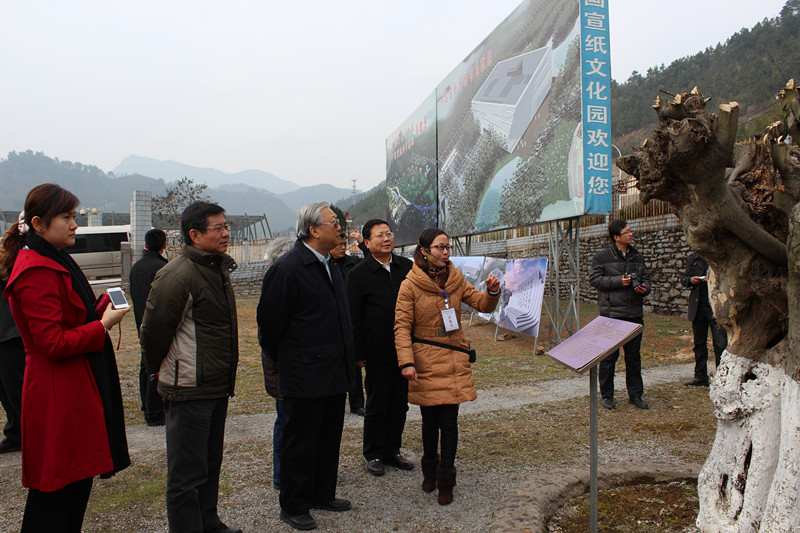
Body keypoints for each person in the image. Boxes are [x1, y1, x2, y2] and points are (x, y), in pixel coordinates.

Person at [0, 184, 130, 532]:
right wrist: (101, 327)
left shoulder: (53, 258)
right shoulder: (35, 270)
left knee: (74, 483)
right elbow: (52, 343)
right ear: (39, 224)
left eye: (74, 216)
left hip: (72, 385)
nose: (75, 225)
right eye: (67, 217)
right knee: (56, 490)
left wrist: (98, 308)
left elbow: (69, 317)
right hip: (56, 392)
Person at [139, 201, 241, 533]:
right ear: (194, 234)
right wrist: (164, 372)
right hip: (187, 389)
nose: (225, 233)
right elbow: (153, 333)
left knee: (210, 464)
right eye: (218, 228)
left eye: (227, 226)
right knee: (185, 473)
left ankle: (208, 522)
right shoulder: (178, 273)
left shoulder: (217, 269)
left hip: (214, 384)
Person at [257, 202, 357, 531]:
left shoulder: (331, 265)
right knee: (300, 441)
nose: (340, 227)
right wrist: (293, 361)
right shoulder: (287, 269)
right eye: (333, 222)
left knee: (329, 436)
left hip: (333, 370)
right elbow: (269, 329)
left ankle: (321, 493)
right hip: (304, 373)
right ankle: (294, 504)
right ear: (313, 230)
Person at [395, 228, 500, 506]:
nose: (445, 252)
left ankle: (446, 480)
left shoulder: (455, 278)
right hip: (426, 358)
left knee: (450, 422)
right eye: (440, 247)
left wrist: (492, 292)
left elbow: (480, 304)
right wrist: (406, 361)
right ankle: (429, 469)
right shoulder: (410, 284)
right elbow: (402, 326)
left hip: (454, 356)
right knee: (430, 422)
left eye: (448, 247)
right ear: (425, 251)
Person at [347, 219, 414, 477]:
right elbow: (354, 316)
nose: (386, 239)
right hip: (376, 350)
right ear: (366, 242)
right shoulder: (358, 274)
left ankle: (393, 450)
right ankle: (373, 453)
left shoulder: (406, 267)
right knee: (376, 403)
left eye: (389, 234)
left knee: (399, 403)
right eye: (379, 235)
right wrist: (359, 351)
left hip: (404, 349)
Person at [589, 220, 652, 411]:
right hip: (612, 316)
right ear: (617, 237)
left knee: (634, 358)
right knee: (609, 358)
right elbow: (594, 279)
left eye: (631, 231)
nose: (631, 234)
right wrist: (619, 281)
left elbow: (647, 279)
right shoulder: (602, 257)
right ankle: (607, 396)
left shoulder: (637, 256)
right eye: (627, 232)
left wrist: (644, 289)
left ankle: (636, 395)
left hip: (634, 314)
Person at [258, 236, 295, 491]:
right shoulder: (277, 282)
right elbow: (268, 334)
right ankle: (282, 475)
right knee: (286, 421)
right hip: (284, 369)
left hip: (295, 368)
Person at [129, 228, 168, 426]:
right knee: (157, 366)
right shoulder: (163, 268)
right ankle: (154, 413)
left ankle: (145, 404)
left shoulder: (136, 267)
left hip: (140, 321)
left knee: (145, 365)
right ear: (164, 245)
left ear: (145, 244)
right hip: (158, 324)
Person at [331, 231, 365, 415]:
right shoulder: (324, 265)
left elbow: (371, 261)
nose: (343, 247)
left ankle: (357, 402)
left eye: (345, 244)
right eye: (339, 244)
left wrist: (361, 243)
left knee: (354, 365)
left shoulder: (353, 264)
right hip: (332, 322)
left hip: (351, 321)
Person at [681, 252, 727, 386]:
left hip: (715, 307)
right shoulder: (693, 258)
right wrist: (691, 280)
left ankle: (721, 377)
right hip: (698, 307)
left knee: (720, 344)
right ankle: (700, 376)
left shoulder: (719, 255)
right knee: (699, 344)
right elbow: (684, 279)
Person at [0, 274, 25, 455]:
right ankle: (16, 432)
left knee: (16, 387)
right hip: (5, 330)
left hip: (9, 330)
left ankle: (32, 434)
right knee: (5, 389)